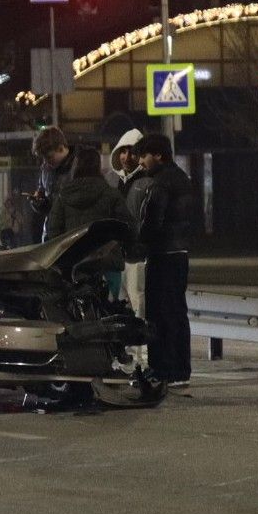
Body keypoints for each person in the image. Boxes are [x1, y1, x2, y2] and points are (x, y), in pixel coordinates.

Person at [134, 133, 196, 388]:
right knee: (177, 312)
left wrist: (138, 239)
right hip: (180, 252)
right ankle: (180, 369)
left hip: (162, 254)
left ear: (158, 155)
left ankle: (162, 368)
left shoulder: (159, 183)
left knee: (159, 313)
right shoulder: (182, 178)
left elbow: (152, 223)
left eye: (144, 156)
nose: (141, 162)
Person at [29, 126, 131, 244]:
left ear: (61, 148)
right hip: (53, 235)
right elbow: (48, 201)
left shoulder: (83, 164)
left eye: (49, 157)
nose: (46, 162)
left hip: (75, 233)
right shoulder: (46, 169)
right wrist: (39, 203)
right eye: (43, 158)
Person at [113, 128, 154, 369]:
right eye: (123, 152)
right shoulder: (121, 182)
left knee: (139, 306)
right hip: (122, 255)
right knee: (126, 307)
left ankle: (143, 358)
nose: (126, 157)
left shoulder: (145, 182)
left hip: (137, 256)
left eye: (131, 152)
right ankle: (130, 354)